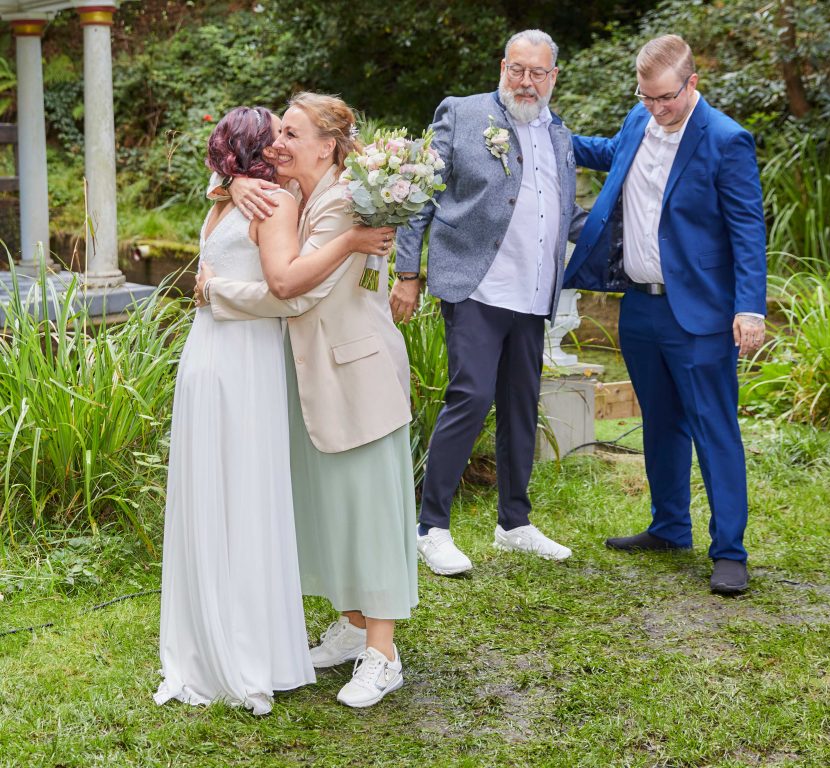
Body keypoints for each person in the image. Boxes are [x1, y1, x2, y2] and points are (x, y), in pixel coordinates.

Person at [156, 105, 390, 714]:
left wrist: (231, 188)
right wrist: (235, 184)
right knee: (255, 496)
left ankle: (217, 636)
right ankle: (262, 640)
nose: (283, 144)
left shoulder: (234, 200)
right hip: (247, 359)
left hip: (220, 354)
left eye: (292, 134)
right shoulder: (273, 198)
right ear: (258, 152)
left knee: (222, 493)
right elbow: (285, 288)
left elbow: (290, 287)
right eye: (277, 135)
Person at [564, 35, 767, 595]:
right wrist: (550, 133)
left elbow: (748, 229)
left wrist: (749, 307)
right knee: (660, 421)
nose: (656, 108)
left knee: (714, 428)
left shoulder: (725, 139)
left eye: (665, 98)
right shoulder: (640, 119)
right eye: (646, 97)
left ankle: (729, 551)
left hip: (700, 313)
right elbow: (610, 153)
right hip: (639, 307)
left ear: (691, 83)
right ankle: (670, 526)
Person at [390, 29, 588, 576]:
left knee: (521, 405)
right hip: (475, 285)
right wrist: (407, 273)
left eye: (538, 73)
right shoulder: (461, 113)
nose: (526, 82)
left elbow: (565, 211)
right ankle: (431, 527)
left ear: (553, 77)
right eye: (517, 70)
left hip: (534, 291)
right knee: (471, 396)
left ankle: (514, 523)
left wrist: (626, 231)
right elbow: (419, 195)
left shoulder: (558, 134)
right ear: (503, 67)